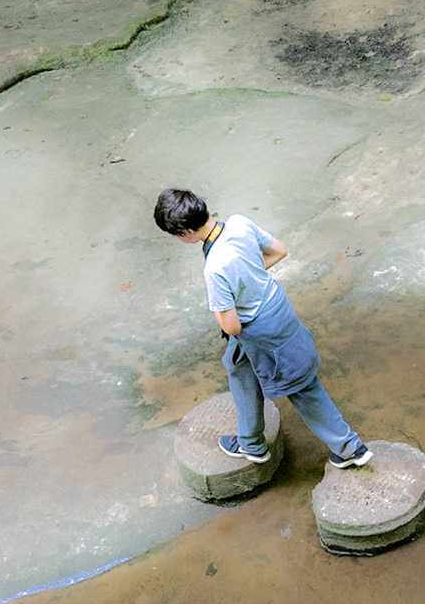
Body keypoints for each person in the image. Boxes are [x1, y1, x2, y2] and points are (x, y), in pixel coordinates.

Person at [153, 188, 373, 469]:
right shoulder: (239, 223)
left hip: (262, 331)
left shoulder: (215, 268)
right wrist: (251, 280)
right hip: (275, 306)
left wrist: (219, 309)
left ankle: (350, 448)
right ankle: (251, 444)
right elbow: (279, 250)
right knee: (238, 367)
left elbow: (231, 326)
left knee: (302, 385)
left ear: (185, 232)